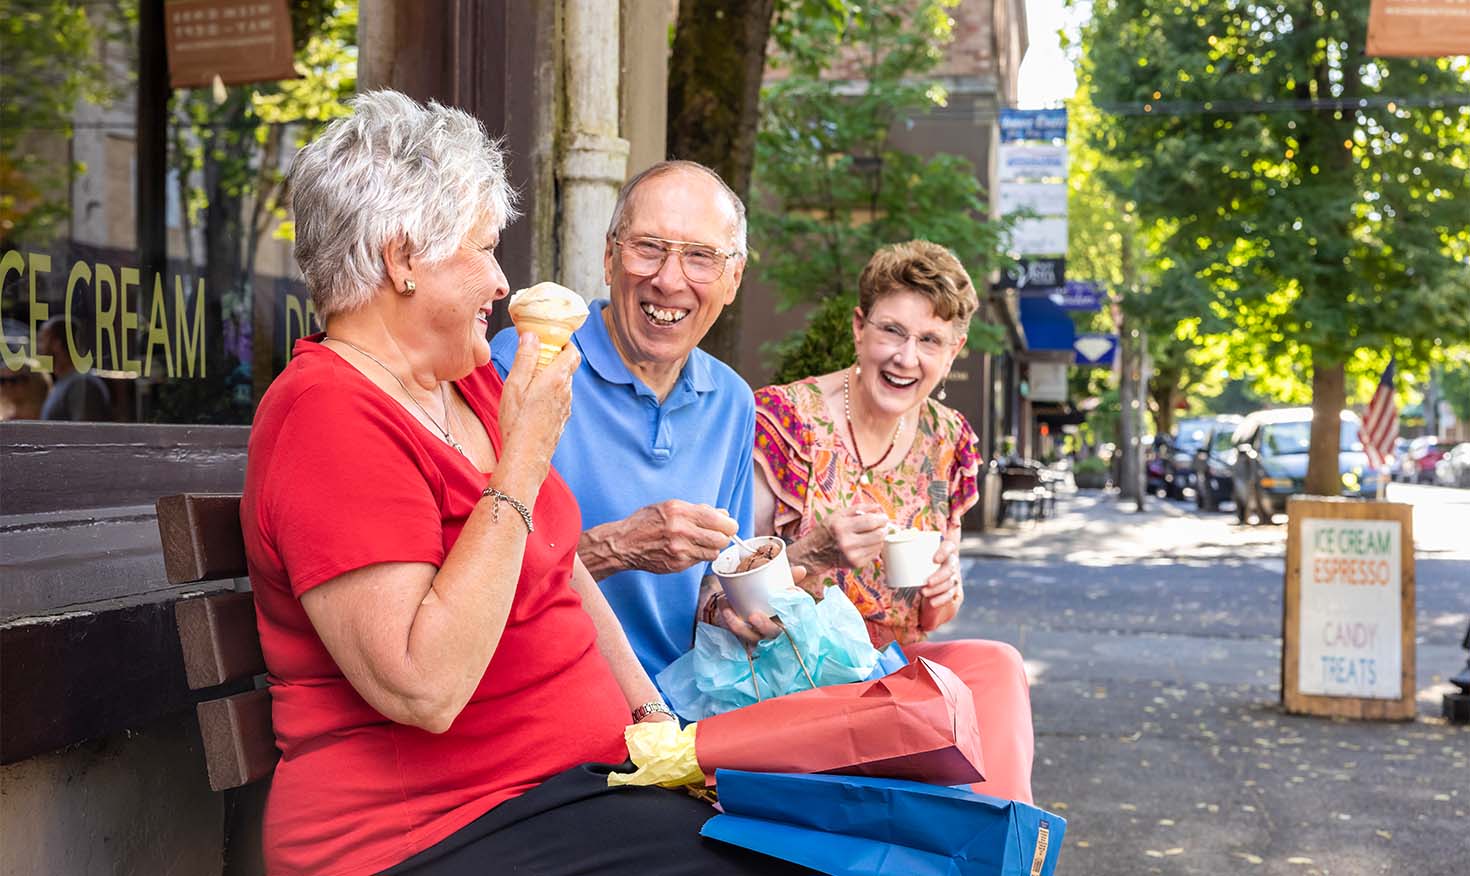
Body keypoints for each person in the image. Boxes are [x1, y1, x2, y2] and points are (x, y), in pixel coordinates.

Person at [243, 91, 808, 876]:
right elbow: (423, 687)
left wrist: (655, 724)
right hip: (433, 831)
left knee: (837, 839)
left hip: (566, 795)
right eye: (481, 249)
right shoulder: (325, 415)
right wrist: (524, 460)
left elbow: (559, 568)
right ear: (403, 257)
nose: (501, 282)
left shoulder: (462, 383)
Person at [748, 240, 1035, 803]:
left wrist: (945, 588)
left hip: (895, 673)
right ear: (859, 328)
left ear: (954, 351)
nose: (907, 357)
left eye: (930, 340)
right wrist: (813, 552)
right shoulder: (787, 421)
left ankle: (1008, 845)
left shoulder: (950, 441)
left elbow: (934, 611)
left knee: (998, 667)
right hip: (797, 669)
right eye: (892, 332)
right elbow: (734, 587)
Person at [490, 160, 777, 681]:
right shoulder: (530, 362)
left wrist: (731, 610)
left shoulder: (733, 400)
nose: (669, 280)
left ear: (733, 279)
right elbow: (481, 576)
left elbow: (716, 582)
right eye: (648, 247)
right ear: (608, 257)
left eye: (701, 258)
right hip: (554, 707)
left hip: (681, 717)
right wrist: (617, 545)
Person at [38, 316, 110, 420]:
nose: (37, 348)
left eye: (41, 341)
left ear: (56, 344)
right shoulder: (65, 383)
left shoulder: (82, 384)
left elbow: (84, 432)